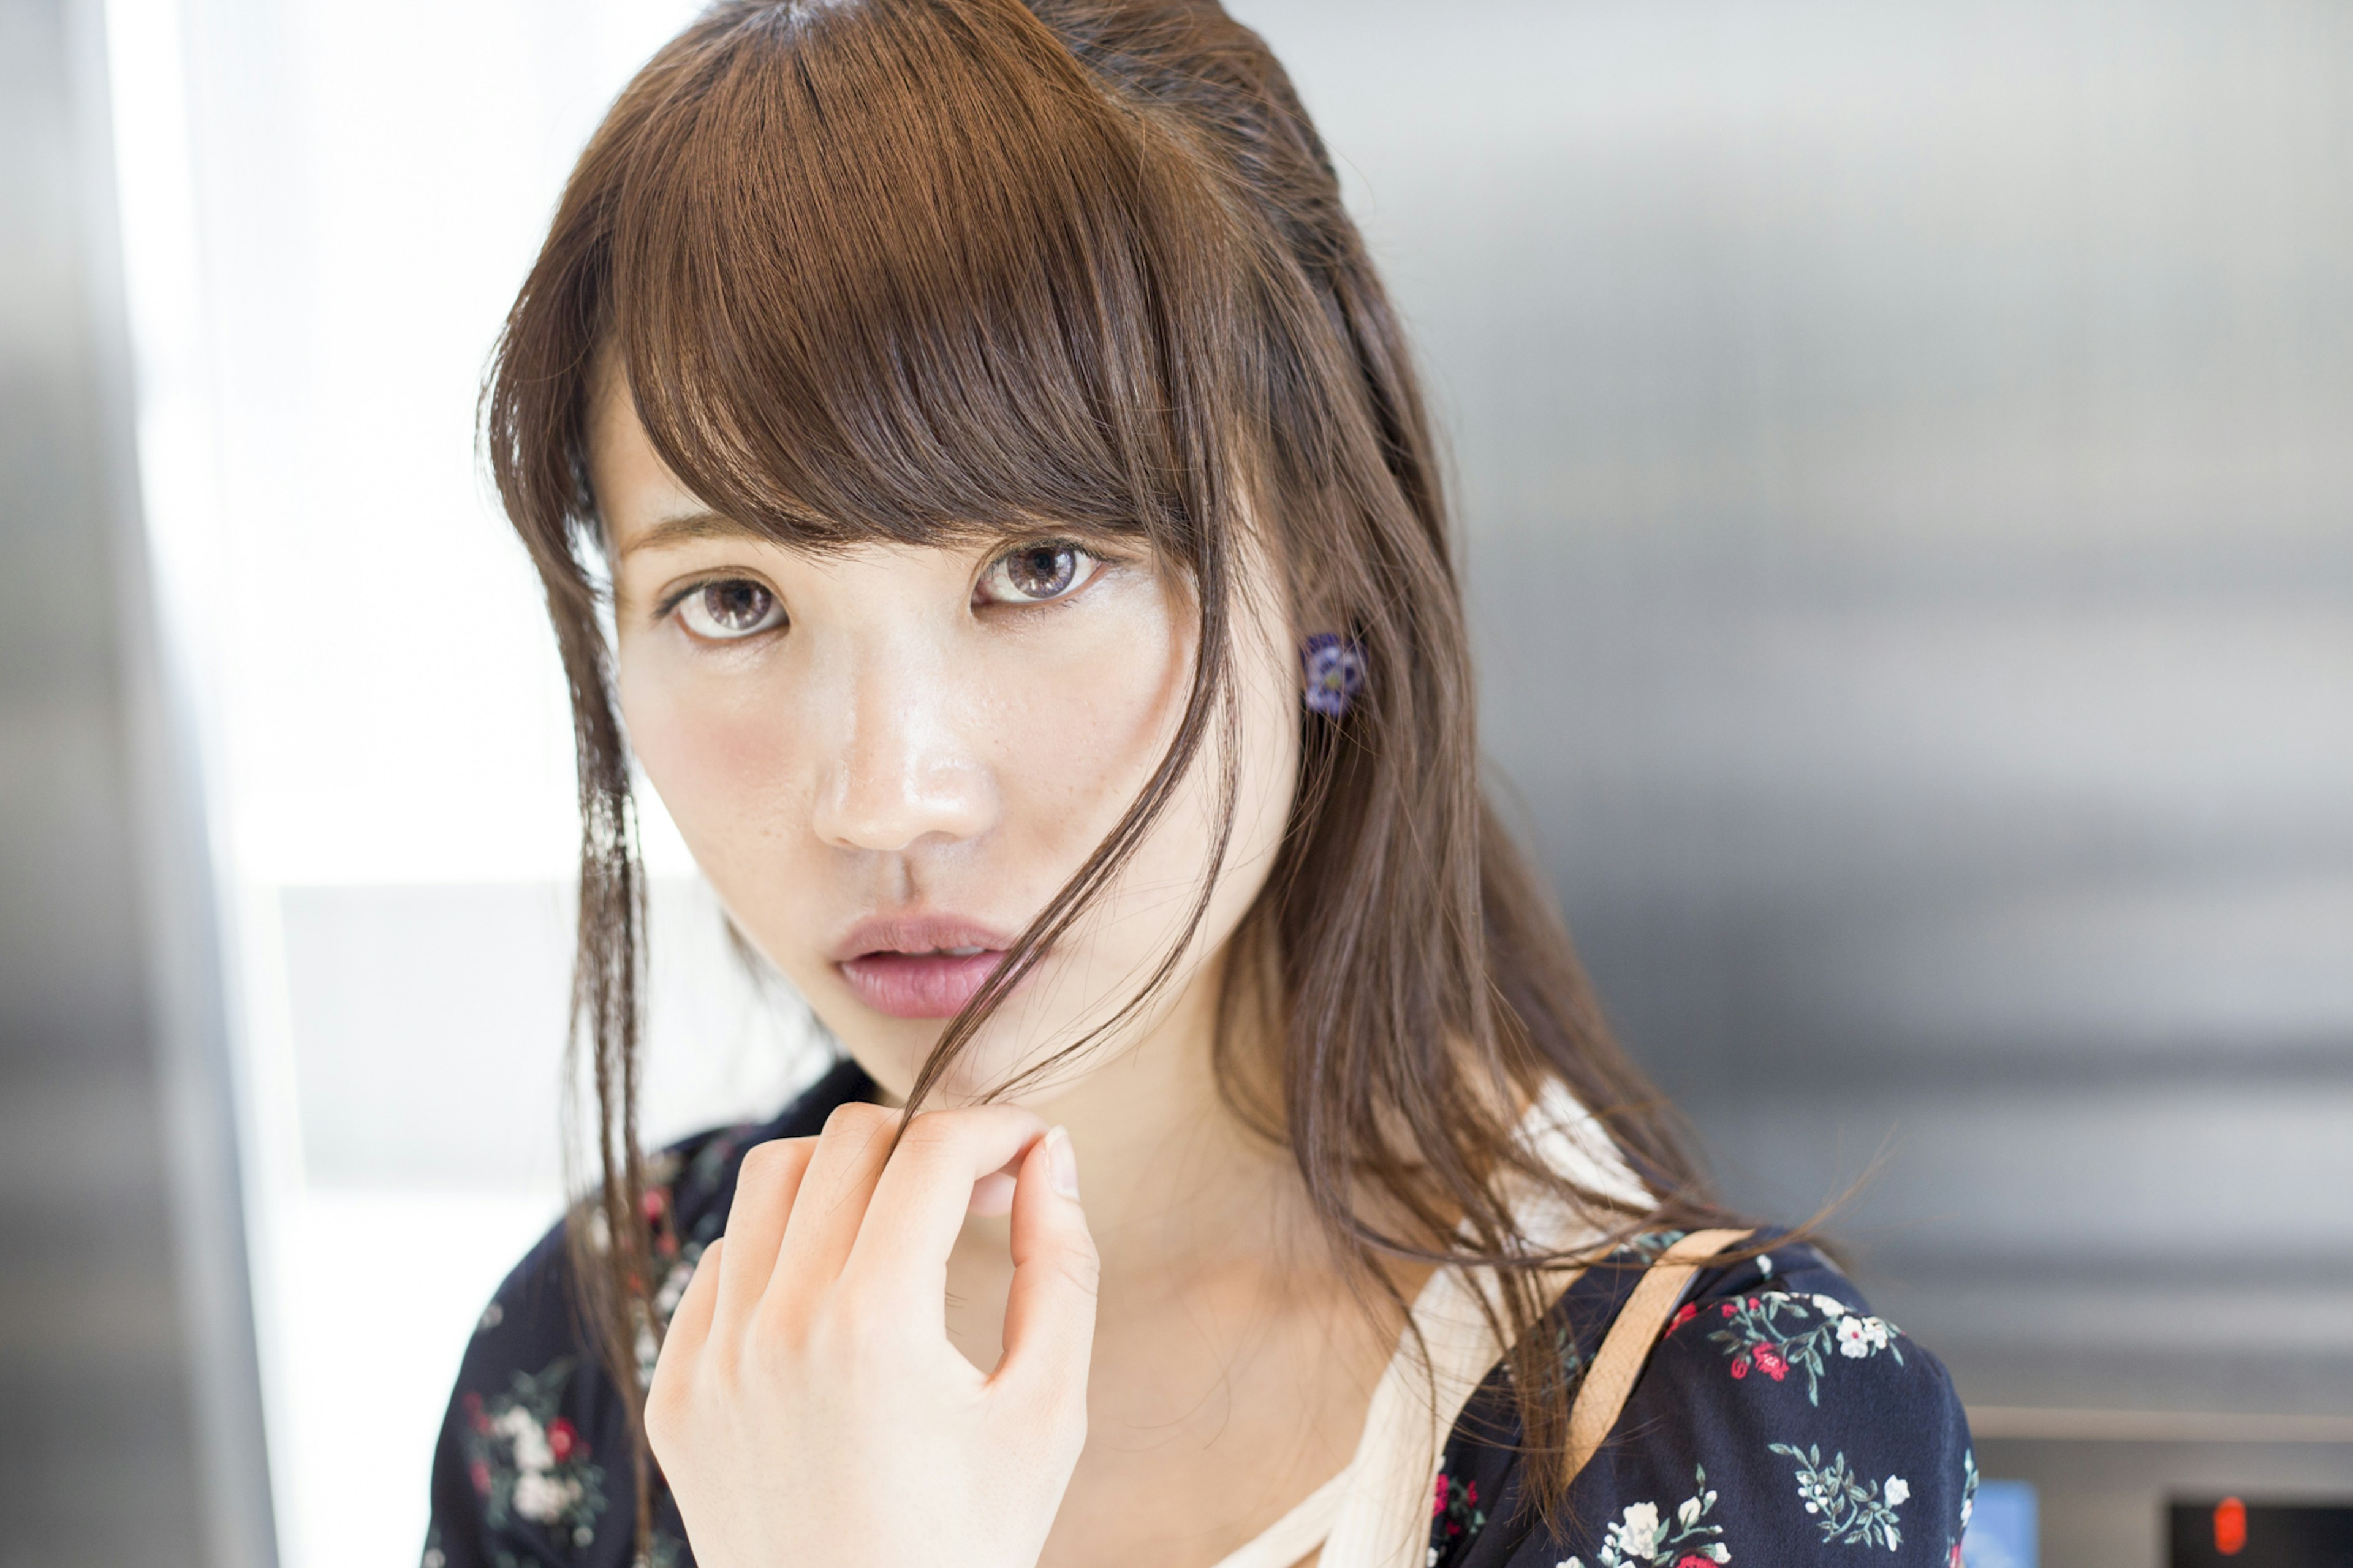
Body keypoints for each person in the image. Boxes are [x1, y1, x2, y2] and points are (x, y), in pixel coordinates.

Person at [426, 2, 1976, 1565]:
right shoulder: (599, 1356)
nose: (887, 799)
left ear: (1323, 578)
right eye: (734, 602)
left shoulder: (1697, 1444)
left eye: (1040, 567)